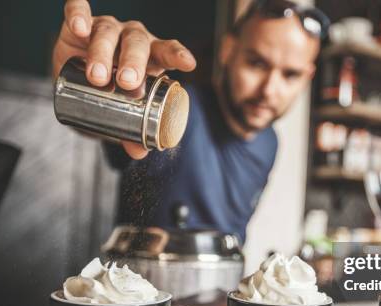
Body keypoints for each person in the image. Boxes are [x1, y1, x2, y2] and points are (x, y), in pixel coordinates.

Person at [53, 0, 329, 243]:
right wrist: (81, 83)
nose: (269, 89)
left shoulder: (269, 142)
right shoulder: (178, 114)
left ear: (308, 76)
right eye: (257, 63)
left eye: (290, 75)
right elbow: (102, 127)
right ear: (228, 50)